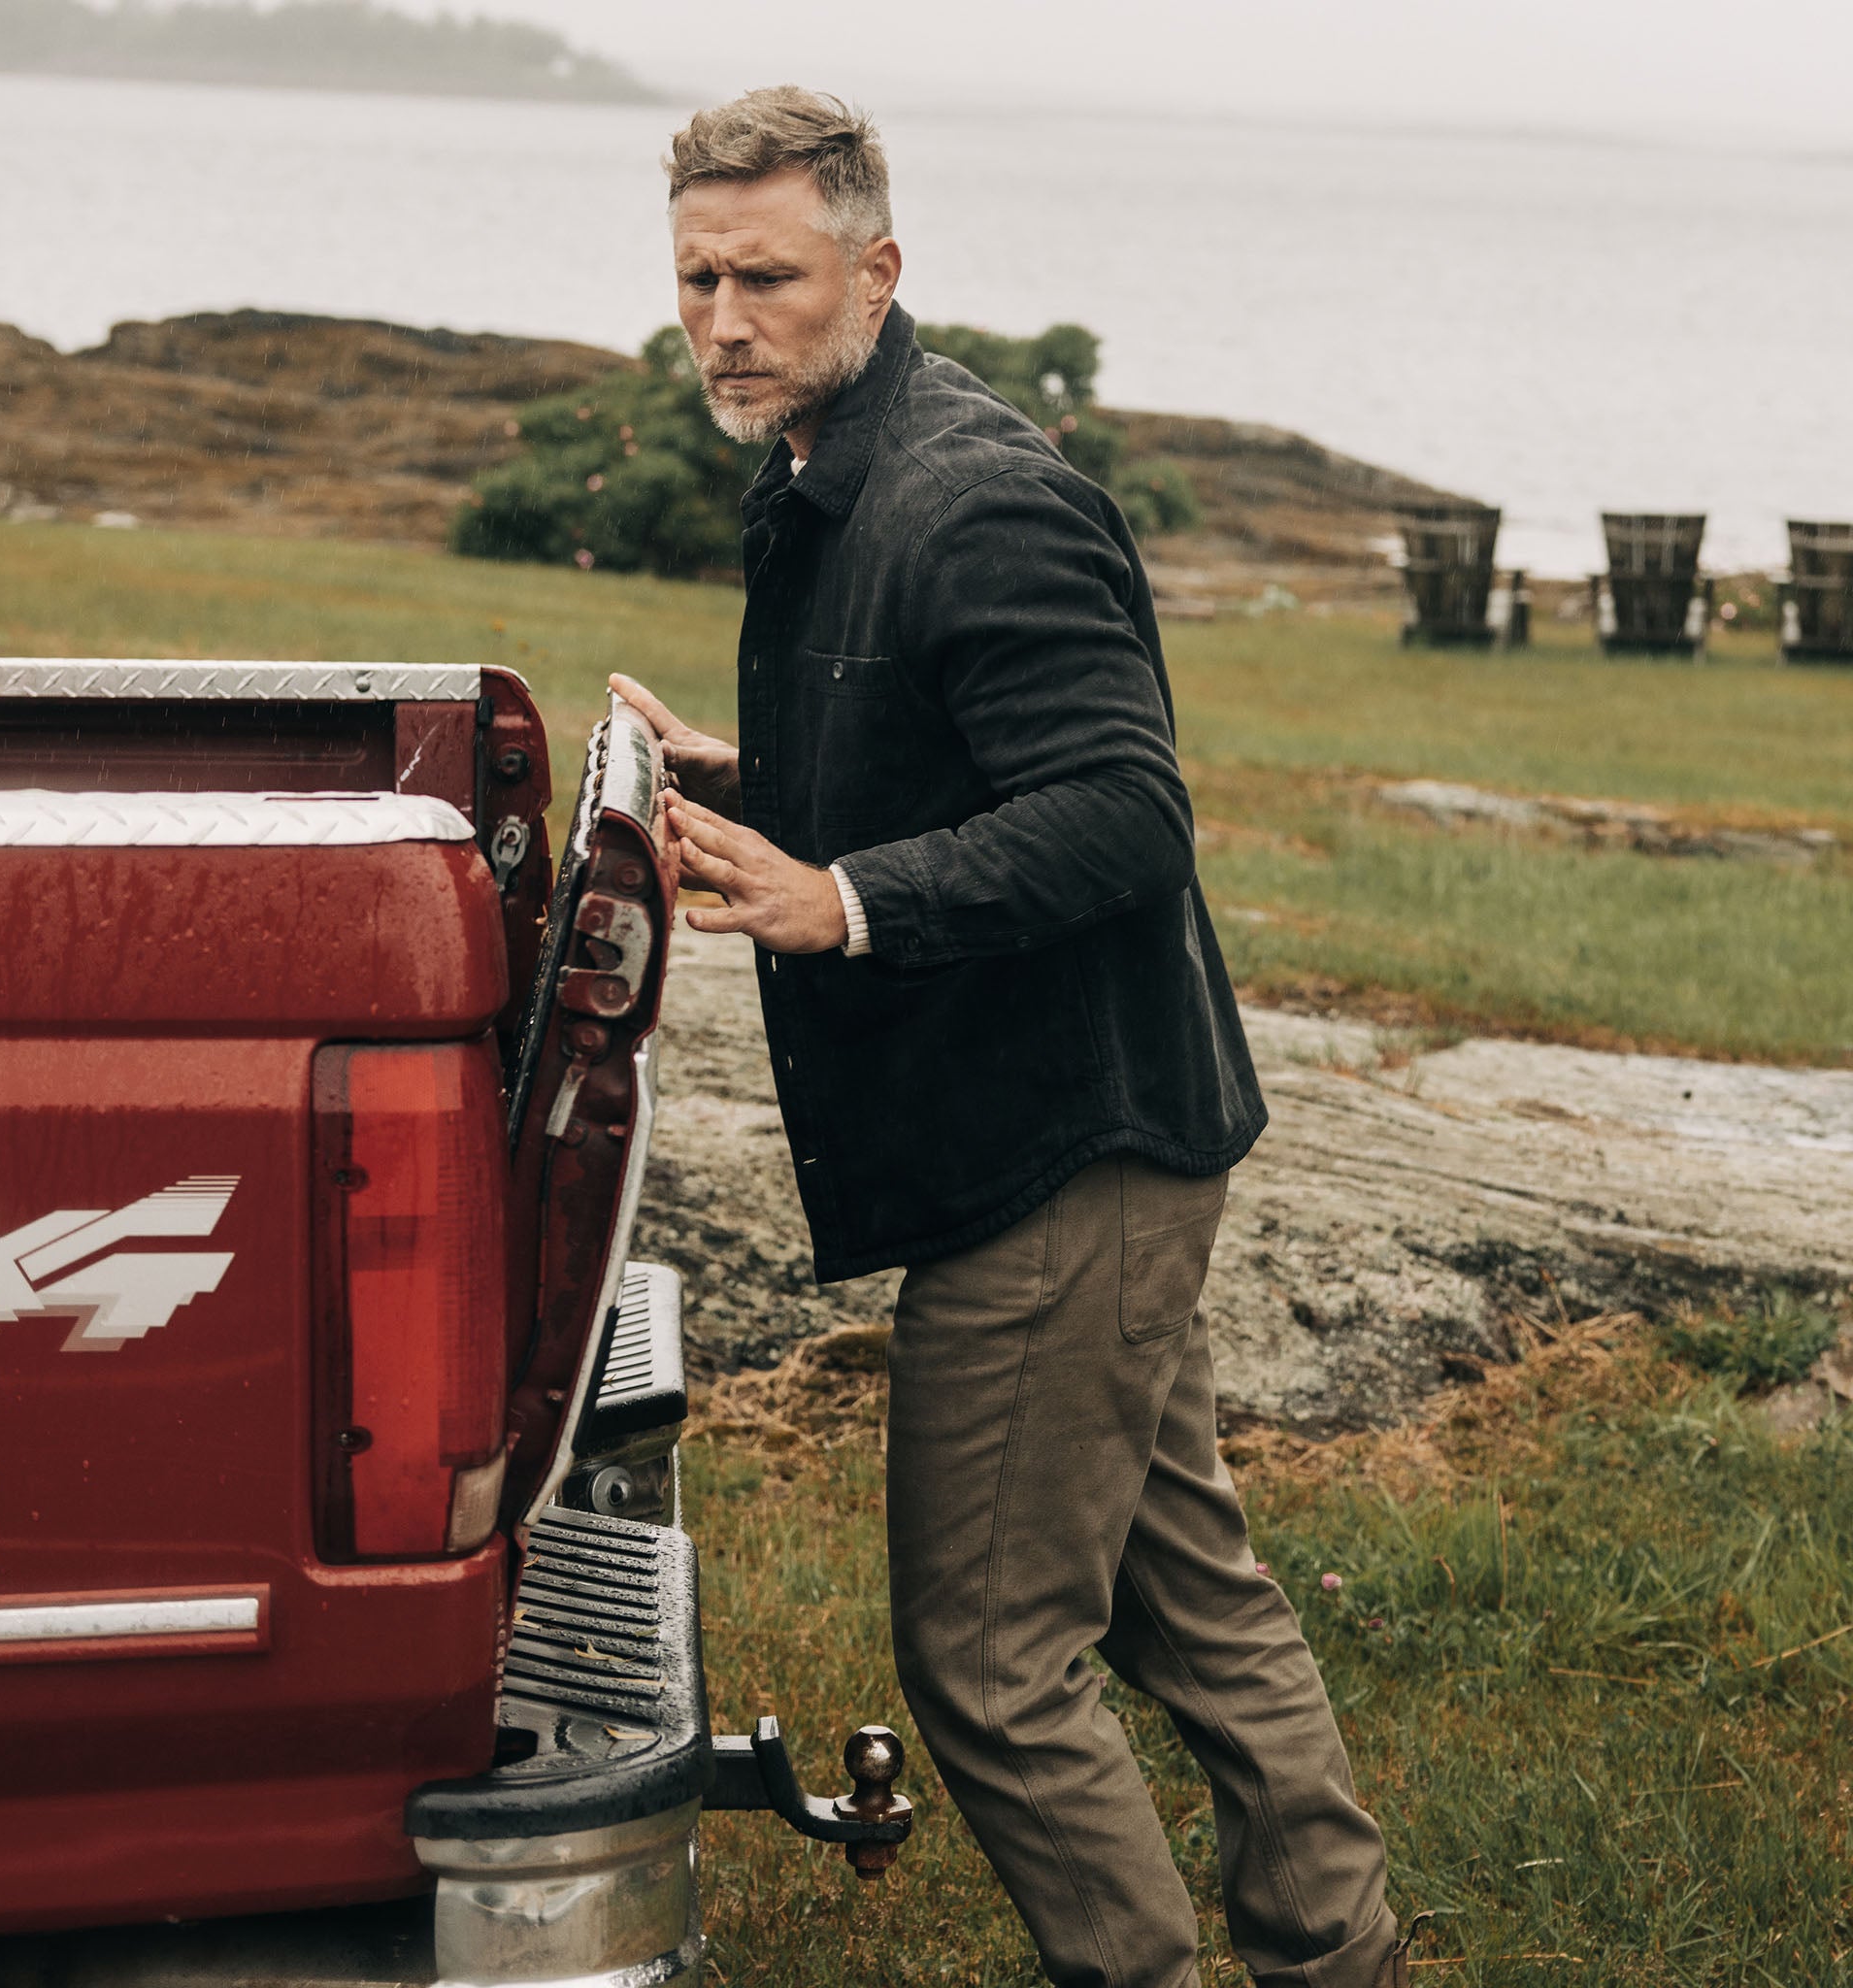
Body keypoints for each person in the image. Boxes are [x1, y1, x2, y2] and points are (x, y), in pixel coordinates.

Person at [612, 85, 1411, 1988]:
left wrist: (845, 898)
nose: (725, 318)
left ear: (876, 270)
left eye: (768, 276)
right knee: (1178, 1586)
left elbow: (1123, 813)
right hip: (1071, 1131)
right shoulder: (829, 464)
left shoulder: (978, 496)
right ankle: (1332, 1946)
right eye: (696, 279)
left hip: (1065, 1147)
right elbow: (951, 749)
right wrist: (757, 782)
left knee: (984, 1651)